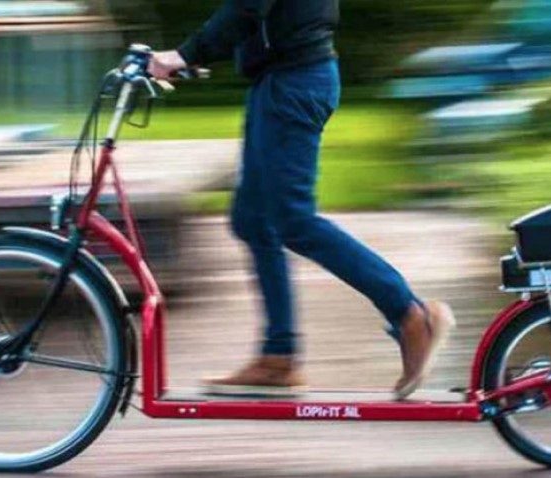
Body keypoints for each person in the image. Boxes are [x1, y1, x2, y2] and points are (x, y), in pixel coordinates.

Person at [147, 0, 455, 400]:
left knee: (292, 219)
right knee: (253, 219)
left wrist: (186, 53)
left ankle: (410, 314)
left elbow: (249, 6)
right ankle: (278, 358)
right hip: (280, 81)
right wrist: (201, 54)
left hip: (293, 82)